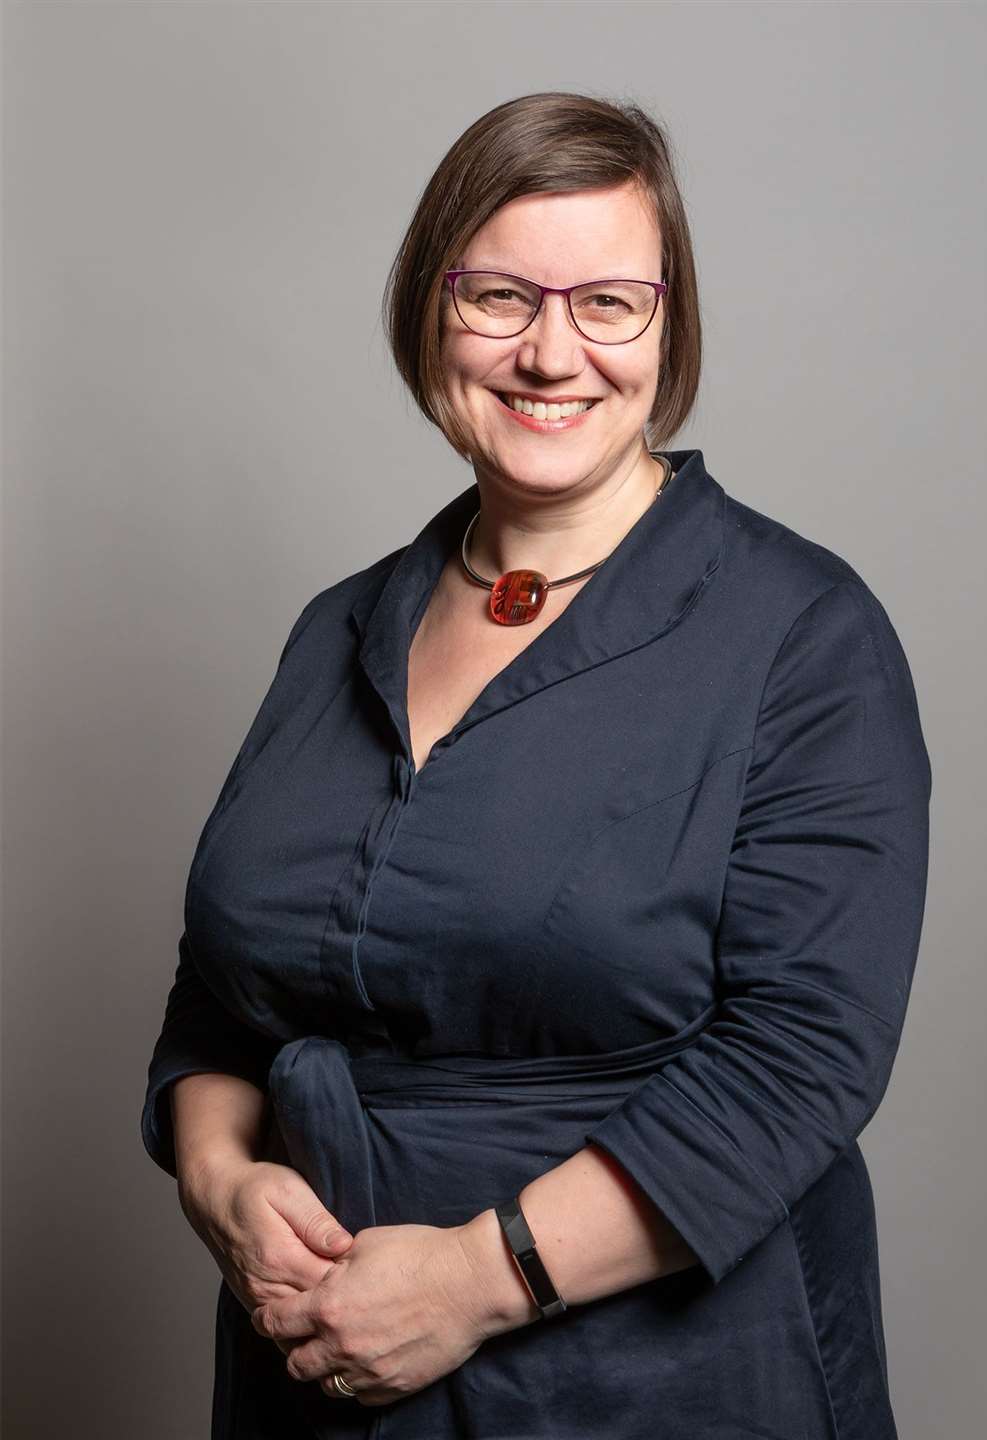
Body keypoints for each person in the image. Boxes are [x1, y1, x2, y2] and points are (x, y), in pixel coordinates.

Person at [141, 91, 932, 1440]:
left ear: (668, 326)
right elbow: (225, 998)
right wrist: (220, 1182)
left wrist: (474, 1276)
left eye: (609, 302)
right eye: (499, 295)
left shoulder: (801, 630)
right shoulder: (337, 626)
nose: (551, 352)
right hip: (320, 1375)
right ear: (428, 315)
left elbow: (803, 1058)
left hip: (668, 1382)